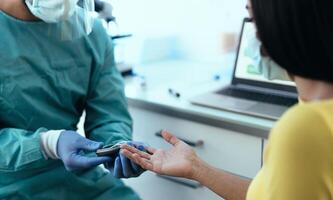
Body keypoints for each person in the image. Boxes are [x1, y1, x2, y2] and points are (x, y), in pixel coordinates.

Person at [121, 0, 333, 199]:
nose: (252, 34)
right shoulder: (313, 109)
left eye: (253, 18)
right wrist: (196, 168)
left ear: (281, 23)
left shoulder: (305, 128)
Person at [0, 0, 144, 199]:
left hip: (80, 180)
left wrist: (118, 145)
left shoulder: (91, 34)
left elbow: (110, 112)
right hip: (9, 186)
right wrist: (48, 143)